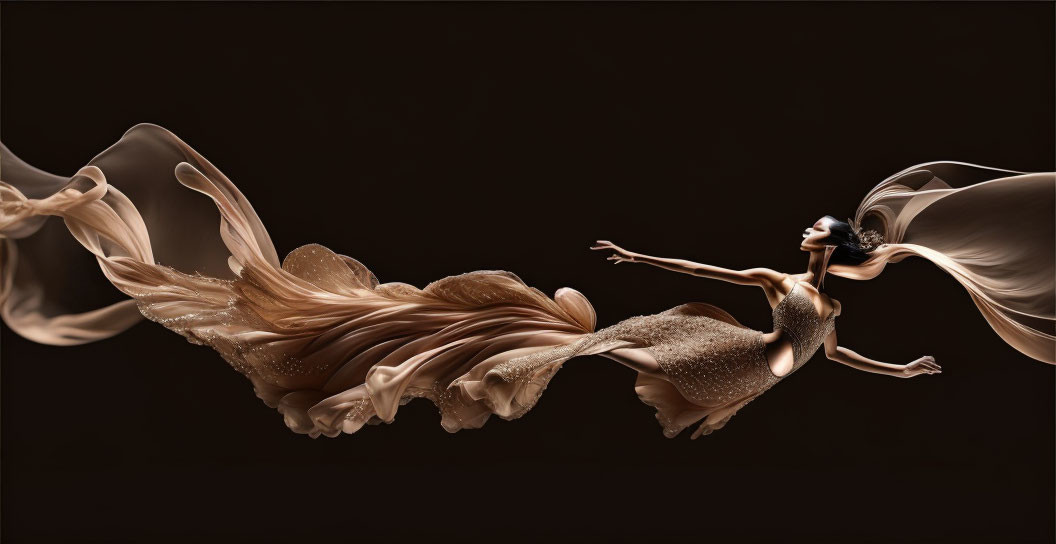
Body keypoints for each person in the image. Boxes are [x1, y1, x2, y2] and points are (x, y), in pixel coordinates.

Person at [0, 125, 1050, 439]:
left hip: (753, 372)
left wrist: (900, 367)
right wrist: (638, 263)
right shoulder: (784, 275)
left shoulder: (830, 300)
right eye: (825, 244)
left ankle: (418, 349)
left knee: (562, 343)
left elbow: (829, 351)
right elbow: (704, 273)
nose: (826, 251)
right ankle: (381, 350)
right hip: (713, 348)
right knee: (569, 340)